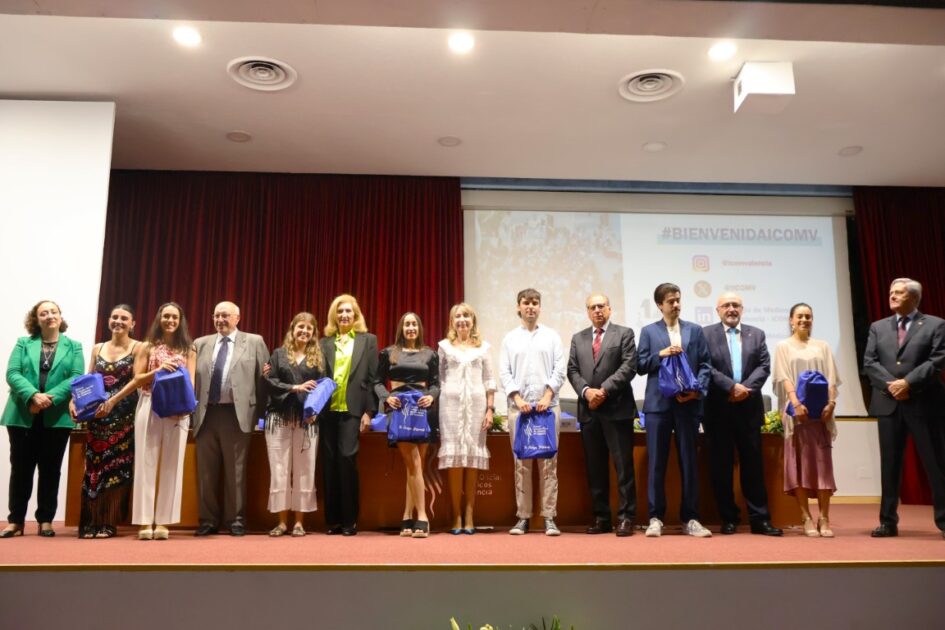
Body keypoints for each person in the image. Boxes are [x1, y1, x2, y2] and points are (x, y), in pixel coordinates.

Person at [863, 278, 945, 538]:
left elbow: (937, 360)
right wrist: (893, 386)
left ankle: (944, 521)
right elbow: (869, 362)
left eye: (899, 292)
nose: (892, 296)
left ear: (914, 297)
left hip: (923, 403)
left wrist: (908, 383)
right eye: (891, 292)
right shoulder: (878, 327)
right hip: (888, 403)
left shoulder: (935, 324)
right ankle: (888, 522)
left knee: (936, 464)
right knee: (890, 465)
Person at [1, 300, 84, 538]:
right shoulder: (23, 343)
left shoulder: (74, 346)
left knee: (51, 469)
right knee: (21, 469)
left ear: (60, 316)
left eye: (53, 311)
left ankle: (46, 520)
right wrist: (33, 395)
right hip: (22, 414)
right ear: (36, 319)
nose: (49, 316)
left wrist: (48, 399)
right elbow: (12, 373)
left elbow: (76, 377)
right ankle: (16, 521)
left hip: (56, 417)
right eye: (43, 313)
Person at [702, 292, 782, 536]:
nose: (731, 309)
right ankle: (729, 518)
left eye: (736, 305)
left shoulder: (756, 334)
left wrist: (744, 389)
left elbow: (764, 366)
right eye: (726, 305)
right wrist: (731, 387)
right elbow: (705, 366)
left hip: (748, 408)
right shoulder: (705, 334)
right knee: (721, 467)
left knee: (753, 467)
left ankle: (760, 519)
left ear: (742, 309)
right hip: (718, 408)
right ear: (718, 310)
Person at [636, 283, 712, 538]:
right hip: (658, 406)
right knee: (656, 463)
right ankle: (655, 518)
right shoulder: (649, 332)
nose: (676, 305)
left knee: (689, 463)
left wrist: (697, 391)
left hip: (688, 405)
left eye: (678, 300)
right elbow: (640, 365)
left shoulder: (695, 330)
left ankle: (691, 518)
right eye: (671, 301)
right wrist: (661, 354)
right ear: (660, 305)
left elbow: (705, 365)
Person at [193, 301, 269, 536]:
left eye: (225, 315)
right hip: (206, 414)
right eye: (216, 316)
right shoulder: (200, 344)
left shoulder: (254, 342)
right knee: (206, 472)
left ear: (237, 318)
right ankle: (208, 521)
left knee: (236, 471)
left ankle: (235, 520)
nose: (220, 320)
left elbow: (264, 381)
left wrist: (261, 417)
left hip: (237, 415)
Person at [567, 293, 639, 536]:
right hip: (589, 411)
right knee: (595, 468)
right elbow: (572, 370)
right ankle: (601, 517)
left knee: (623, 467)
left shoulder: (624, 333)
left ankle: (626, 518)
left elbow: (629, 366)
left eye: (601, 306)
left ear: (609, 309)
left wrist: (604, 390)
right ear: (587, 311)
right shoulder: (578, 338)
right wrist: (587, 392)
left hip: (617, 409)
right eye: (592, 307)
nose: (597, 310)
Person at [499, 288, 567, 536]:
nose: (530, 306)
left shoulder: (552, 336)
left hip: (547, 409)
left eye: (535, 302)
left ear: (540, 307)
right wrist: (517, 398)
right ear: (518, 307)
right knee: (521, 464)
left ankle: (549, 517)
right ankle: (523, 517)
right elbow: (504, 372)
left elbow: (560, 369)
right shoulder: (509, 339)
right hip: (519, 410)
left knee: (548, 463)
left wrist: (547, 396)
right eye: (526, 302)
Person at [73, 304, 141, 539]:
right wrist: (75, 402)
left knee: (116, 467)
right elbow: (87, 380)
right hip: (97, 417)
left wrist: (112, 401)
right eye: (114, 317)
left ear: (132, 323)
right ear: (109, 320)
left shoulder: (139, 347)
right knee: (94, 467)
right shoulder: (98, 348)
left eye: (124, 318)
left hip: (123, 416)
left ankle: (108, 522)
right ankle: (90, 522)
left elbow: (137, 381)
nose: (118, 321)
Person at [773, 302, 840, 537]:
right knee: (798, 465)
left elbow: (832, 378)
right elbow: (783, 378)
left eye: (808, 316)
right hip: (796, 415)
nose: (804, 320)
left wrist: (831, 404)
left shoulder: (823, 346)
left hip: (821, 415)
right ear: (791, 320)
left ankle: (824, 517)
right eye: (799, 316)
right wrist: (796, 404)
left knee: (822, 465)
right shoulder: (783, 346)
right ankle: (805, 517)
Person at [375, 312, 439, 538]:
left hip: (423, 410)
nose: (410, 327)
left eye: (414, 324)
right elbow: (377, 382)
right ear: (401, 328)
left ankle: (406, 516)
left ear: (419, 328)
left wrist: (431, 396)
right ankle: (422, 516)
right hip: (400, 409)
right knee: (413, 462)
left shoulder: (430, 354)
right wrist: (386, 398)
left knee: (415, 467)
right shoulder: (388, 353)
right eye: (407, 324)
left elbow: (435, 384)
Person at [319, 294, 378, 536]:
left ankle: (350, 520)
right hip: (327, 410)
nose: (344, 315)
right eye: (340, 311)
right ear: (334, 315)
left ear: (356, 315)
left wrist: (369, 411)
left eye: (348, 311)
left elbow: (372, 378)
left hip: (352, 410)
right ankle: (333, 521)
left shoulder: (368, 340)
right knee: (329, 463)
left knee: (346, 459)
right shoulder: (324, 343)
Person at [264, 312, 325, 538]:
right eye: (301, 327)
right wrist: (294, 388)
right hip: (279, 418)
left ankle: (299, 522)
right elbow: (269, 381)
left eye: (309, 328)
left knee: (305, 470)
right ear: (293, 328)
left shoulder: (318, 358)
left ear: (313, 332)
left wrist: (315, 411)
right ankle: (282, 522)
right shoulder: (278, 354)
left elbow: (324, 387)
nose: (304, 331)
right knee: (279, 470)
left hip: (306, 421)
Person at [438, 303, 496, 535]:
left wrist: (490, 409)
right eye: (458, 316)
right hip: (449, 408)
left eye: (466, 316)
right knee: (454, 460)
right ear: (452, 322)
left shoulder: (484, 348)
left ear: (473, 321)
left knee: (472, 459)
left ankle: (470, 514)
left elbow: (489, 380)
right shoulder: (443, 347)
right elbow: (440, 378)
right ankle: (456, 515)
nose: (462, 320)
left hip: (477, 407)